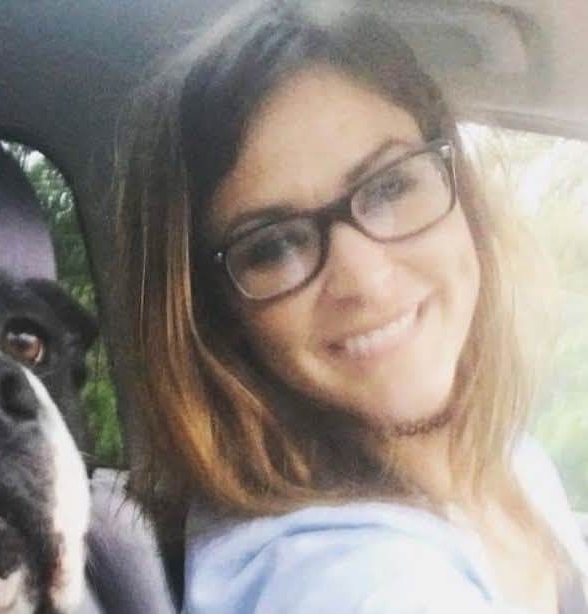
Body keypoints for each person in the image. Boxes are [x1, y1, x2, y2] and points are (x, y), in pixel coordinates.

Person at [111, 1, 588, 612]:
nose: (365, 279)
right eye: (273, 245)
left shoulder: (500, 454)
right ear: (216, 317)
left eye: (390, 185)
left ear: (459, 188)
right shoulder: (346, 581)